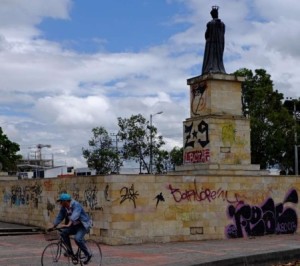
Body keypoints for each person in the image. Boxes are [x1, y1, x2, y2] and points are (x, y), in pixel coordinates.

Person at [51, 193, 93, 265]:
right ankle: (70, 252)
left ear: (66, 201)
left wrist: (68, 224)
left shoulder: (76, 205)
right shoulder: (64, 208)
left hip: (83, 225)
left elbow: (75, 215)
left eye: (61, 201)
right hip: (74, 226)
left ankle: (88, 254)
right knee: (63, 233)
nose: (60, 203)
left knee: (77, 239)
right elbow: (60, 216)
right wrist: (54, 225)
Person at [202, 6, 226, 75]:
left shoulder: (210, 24)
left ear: (212, 15)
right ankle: (219, 68)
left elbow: (206, 35)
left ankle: (210, 67)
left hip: (210, 44)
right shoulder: (222, 24)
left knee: (210, 57)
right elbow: (223, 34)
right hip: (220, 44)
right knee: (219, 57)